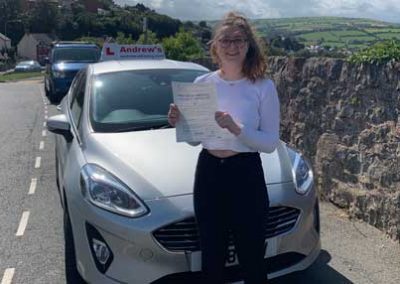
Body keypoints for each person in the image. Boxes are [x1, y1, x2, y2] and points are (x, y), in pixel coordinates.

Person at [168, 12, 280, 284]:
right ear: (215, 46)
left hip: (246, 173)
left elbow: (270, 143)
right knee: (212, 254)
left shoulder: (263, 87)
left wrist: (237, 128)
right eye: (225, 40)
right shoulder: (202, 84)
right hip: (209, 173)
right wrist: (179, 122)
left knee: (252, 254)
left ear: (248, 45)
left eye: (238, 40)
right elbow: (196, 140)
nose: (232, 46)